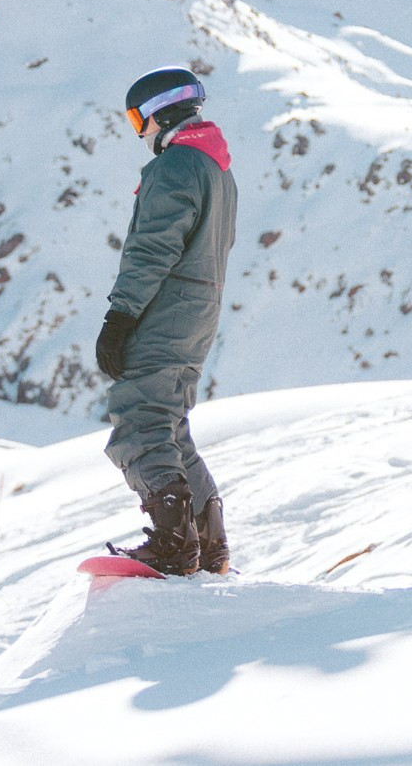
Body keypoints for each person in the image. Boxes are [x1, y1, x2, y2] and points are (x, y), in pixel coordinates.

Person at [93, 66, 239, 576]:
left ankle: (175, 546)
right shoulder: (216, 168)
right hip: (200, 312)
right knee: (170, 423)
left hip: (167, 308)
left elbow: (153, 248)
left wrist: (121, 315)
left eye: (139, 119)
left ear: (159, 112)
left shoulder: (176, 166)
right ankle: (208, 543)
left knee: (140, 419)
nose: (141, 132)